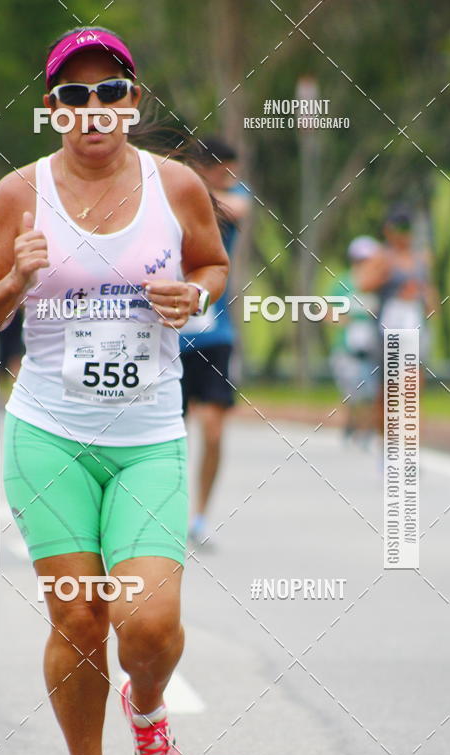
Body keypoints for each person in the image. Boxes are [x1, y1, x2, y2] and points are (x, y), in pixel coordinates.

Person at [0, 26, 228, 755]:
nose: (93, 109)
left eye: (109, 92)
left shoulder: (176, 185)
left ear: (132, 100)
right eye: (74, 96)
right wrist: (17, 277)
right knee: (78, 617)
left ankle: (146, 708)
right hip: (48, 434)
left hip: (148, 437)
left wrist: (196, 296)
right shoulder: (18, 194)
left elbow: (212, 263)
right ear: (52, 109)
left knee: (148, 624)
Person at [178, 138, 251, 546]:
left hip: (214, 334)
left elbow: (236, 208)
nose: (231, 178)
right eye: (223, 170)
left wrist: (190, 188)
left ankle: (201, 515)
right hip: (168, 337)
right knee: (170, 434)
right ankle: (167, 511)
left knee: (213, 429)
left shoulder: (231, 197)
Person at [356, 207, 437, 431]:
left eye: (406, 228)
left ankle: (408, 429)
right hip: (388, 327)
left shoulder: (421, 258)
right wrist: (386, 276)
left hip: (414, 325)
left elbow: (429, 291)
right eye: (398, 228)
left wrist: (426, 300)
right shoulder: (382, 257)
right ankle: (384, 430)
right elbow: (363, 284)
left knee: (413, 378)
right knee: (388, 384)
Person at [329, 236, 381, 444]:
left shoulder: (379, 283)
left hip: (372, 344)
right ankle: (350, 423)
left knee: (371, 388)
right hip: (347, 346)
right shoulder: (343, 284)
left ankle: (366, 429)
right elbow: (327, 311)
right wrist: (345, 320)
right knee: (352, 388)